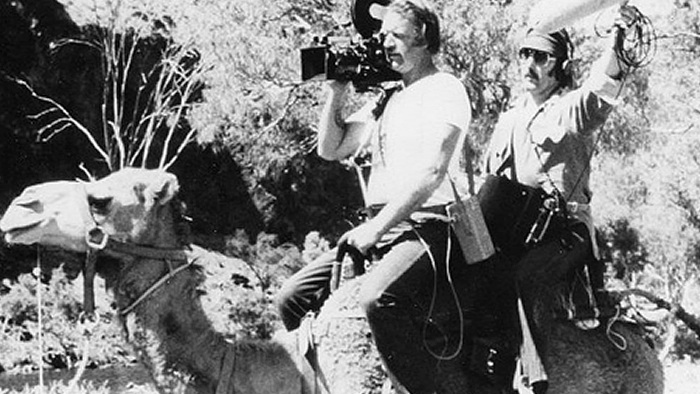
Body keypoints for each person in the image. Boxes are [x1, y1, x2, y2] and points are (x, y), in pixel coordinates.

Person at [275, 1, 473, 393]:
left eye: (397, 36)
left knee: (378, 298)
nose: (386, 45)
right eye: (384, 38)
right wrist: (336, 93)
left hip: (430, 226)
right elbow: (330, 149)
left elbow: (433, 172)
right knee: (292, 297)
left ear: (425, 41)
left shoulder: (445, 89)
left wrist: (376, 228)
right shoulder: (386, 100)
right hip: (382, 228)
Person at [482, 6, 637, 394]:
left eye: (541, 57)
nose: (529, 64)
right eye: (524, 54)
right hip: (515, 229)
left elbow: (600, 89)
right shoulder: (507, 119)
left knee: (522, 278)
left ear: (559, 65)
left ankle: (530, 378)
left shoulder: (569, 110)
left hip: (565, 231)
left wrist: (619, 43)